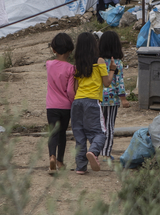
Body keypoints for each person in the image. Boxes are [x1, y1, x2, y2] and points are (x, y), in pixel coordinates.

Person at [72, 32, 115, 174]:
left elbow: (76, 87)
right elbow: (107, 83)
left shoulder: (78, 63)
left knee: (80, 136)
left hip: (77, 102)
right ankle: (94, 152)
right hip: (92, 102)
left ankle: (80, 167)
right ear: (94, 45)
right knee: (100, 133)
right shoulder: (100, 61)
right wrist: (112, 70)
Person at [45, 33, 75, 172]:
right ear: (70, 50)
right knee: (62, 133)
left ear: (54, 49)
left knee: (53, 132)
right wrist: (72, 101)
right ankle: (60, 161)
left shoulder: (49, 65)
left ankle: (51, 156)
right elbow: (70, 91)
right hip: (65, 107)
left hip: (51, 106)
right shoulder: (71, 68)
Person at [98, 31, 126, 159]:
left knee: (99, 124)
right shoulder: (117, 63)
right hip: (111, 99)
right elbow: (120, 82)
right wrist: (124, 99)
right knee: (109, 125)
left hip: (98, 97)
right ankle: (106, 152)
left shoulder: (99, 61)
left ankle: (96, 150)